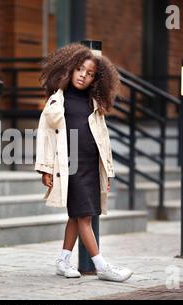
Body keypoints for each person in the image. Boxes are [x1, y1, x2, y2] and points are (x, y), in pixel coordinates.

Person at [34, 42, 133, 282]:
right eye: (80, 70)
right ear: (70, 69)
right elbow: (45, 136)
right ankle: (102, 266)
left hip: (90, 165)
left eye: (89, 74)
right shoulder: (58, 101)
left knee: (77, 215)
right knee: (85, 216)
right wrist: (45, 168)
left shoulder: (94, 103)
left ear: (95, 80)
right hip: (70, 166)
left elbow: (104, 139)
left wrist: (107, 172)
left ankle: (63, 261)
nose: (83, 76)